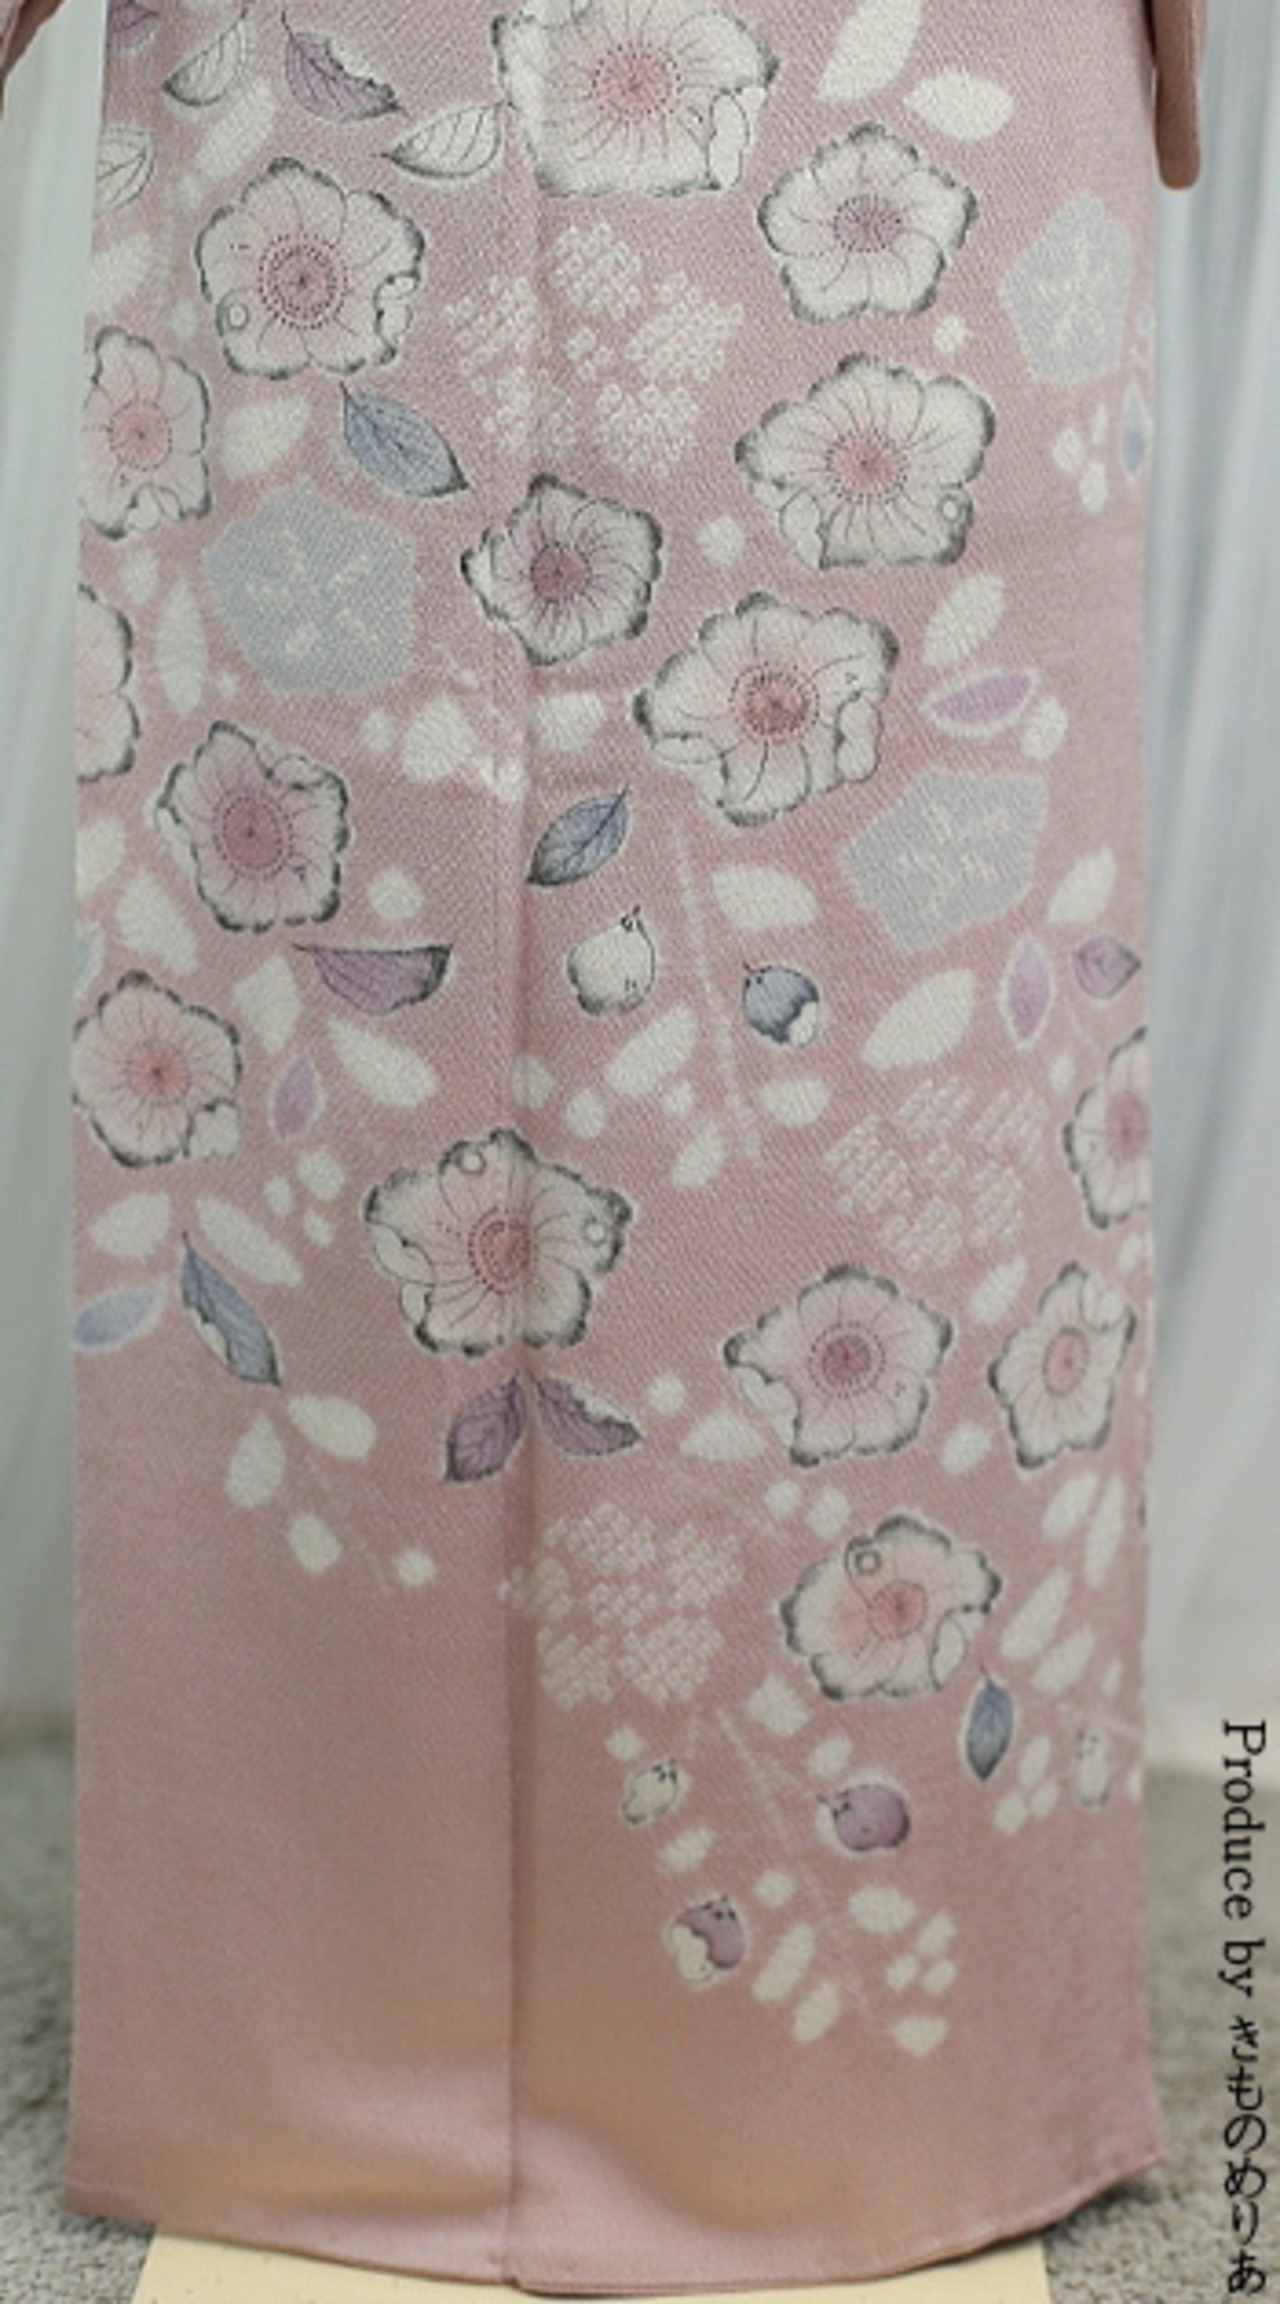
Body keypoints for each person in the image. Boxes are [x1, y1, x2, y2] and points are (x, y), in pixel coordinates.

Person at [1, 0, 1208, 2290]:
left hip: (896, 115)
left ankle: (869, 2069)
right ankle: (319, 2031)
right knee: (317, 922)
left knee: (878, 983)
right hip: (337, 101)